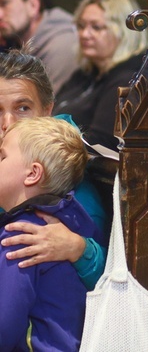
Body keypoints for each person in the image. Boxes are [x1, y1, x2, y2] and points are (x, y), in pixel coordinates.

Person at [0, 50, 108, 291]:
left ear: (47, 111)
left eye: (23, 108)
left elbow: (112, 281)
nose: (7, 124)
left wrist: (79, 249)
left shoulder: (68, 176)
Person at [0, 117, 96, 350]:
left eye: (2, 156)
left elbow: (4, 327)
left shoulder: (23, 236)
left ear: (33, 174)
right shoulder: (66, 220)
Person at [52, 0, 148, 150]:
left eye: (96, 27)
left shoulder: (129, 78)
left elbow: (99, 142)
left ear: (122, 32)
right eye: (81, 26)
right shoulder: (86, 73)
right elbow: (51, 111)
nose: (84, 34)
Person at [0, 0, 78, 92]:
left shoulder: (60, 46)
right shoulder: (13, 42)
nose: (0, 14)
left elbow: (49, 109)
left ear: (33, 5)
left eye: (4, 3)